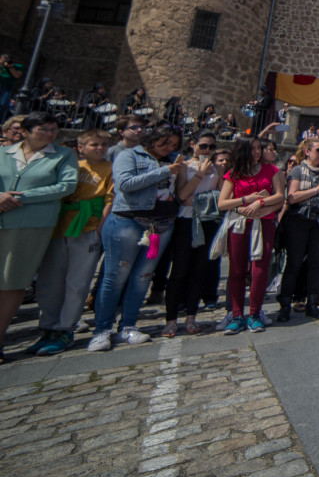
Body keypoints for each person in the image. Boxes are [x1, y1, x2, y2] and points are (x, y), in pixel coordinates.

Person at [90, 125, 184, 351]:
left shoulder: (175, 160)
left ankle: (128, 326)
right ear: (153, 139)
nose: (168, 148)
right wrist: (165, 171)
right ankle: (102, 329)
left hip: (160, 225)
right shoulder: (129, 155)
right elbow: (125, 184)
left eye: (173, 144)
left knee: (142, 277)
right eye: (164, 142)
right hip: (129, 221)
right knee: (115, 276)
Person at [0, 113, 79, 362]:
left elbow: (66, 186)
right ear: (25, 131)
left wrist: (21, 197)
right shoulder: (4, 153)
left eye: (54, 130)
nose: (49, 134)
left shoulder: (63, 155)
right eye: (43, 129)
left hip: (31, 226)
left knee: (13, 281)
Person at [27, 128, 112, 356]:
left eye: (104, 144)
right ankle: (48, 328)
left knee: (77, 282)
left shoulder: (109, 169)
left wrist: (99, 232)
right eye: (94, 144)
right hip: (60, 227)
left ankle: (66, 328)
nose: (100, 148)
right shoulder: (72, 165)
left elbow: (108, 201)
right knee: (50, 281)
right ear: (81, 147)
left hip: (87, 228)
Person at [216, 137, 286, 333]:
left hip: (263, 223)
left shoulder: (271, 171)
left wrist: (260, 203)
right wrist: (247, 199)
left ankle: (255, 313)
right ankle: (237, 315)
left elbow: (280, 196)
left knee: (260, 269)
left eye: (258, 148)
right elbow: (222, 203)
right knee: (237, 270)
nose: (257, 152)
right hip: (239, 224)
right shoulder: (234, 173)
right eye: (253, 149)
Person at [162, 132, 222, 337]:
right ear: (193, 145)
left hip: (207, 221)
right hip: (186, 221)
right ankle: (171, 320)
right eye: (204, 146)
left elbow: (219, 197)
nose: (208, 151)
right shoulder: (186, 166)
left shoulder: (218, 169)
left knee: (199, 270)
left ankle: (191, 316)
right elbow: (182, 195)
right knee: (179, 271)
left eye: (212, 147)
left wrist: (199, 199)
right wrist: (200, 176)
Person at [279, 138, 319, 321]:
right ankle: (285, 303)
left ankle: (313, 301)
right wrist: (317, 189)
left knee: (317, 263)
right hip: (300, 219)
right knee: (295, 262)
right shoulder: (298, 170)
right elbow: (292, 197)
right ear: (307, 152)